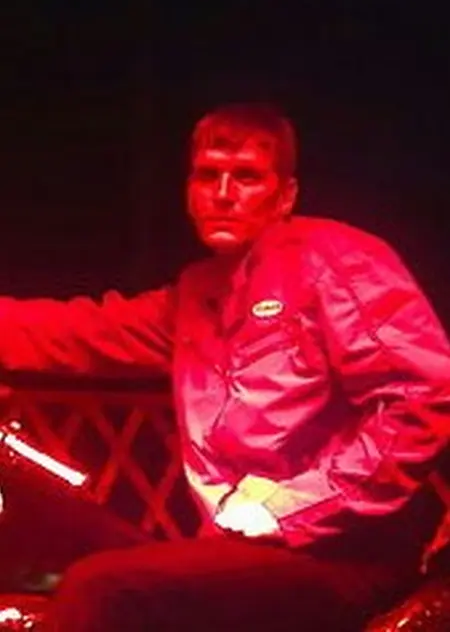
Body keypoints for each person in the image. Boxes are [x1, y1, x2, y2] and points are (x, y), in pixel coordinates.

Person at [1, 103, 449, 631]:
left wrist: (290, 507)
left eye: (247, 177)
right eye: (207, 175)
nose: (223, 193)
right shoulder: (196, 296)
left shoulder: (332, 258)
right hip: (241, 546)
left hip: (345, 551)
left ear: (286, 195)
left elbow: (425, 394)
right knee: (52, 533)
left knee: (102, 586)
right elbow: (78, 332)